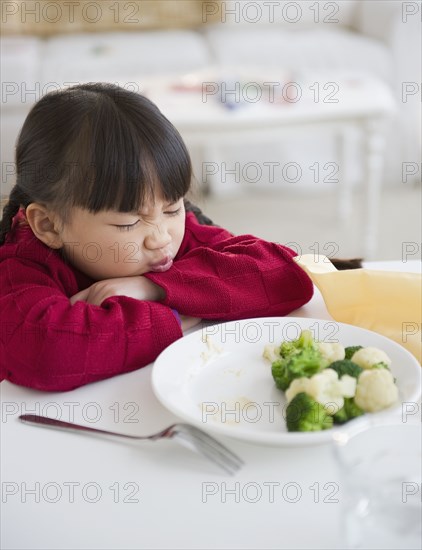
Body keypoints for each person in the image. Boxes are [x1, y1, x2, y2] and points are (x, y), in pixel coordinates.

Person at [0, 83, 314, 392]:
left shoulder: (176, 230)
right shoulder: (19, 265)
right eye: (130, 222)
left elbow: (286, 274)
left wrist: (153, 287)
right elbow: (47, 352)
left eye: (173, 207)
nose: (161, 238)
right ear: (49, 226)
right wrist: (179, 315)